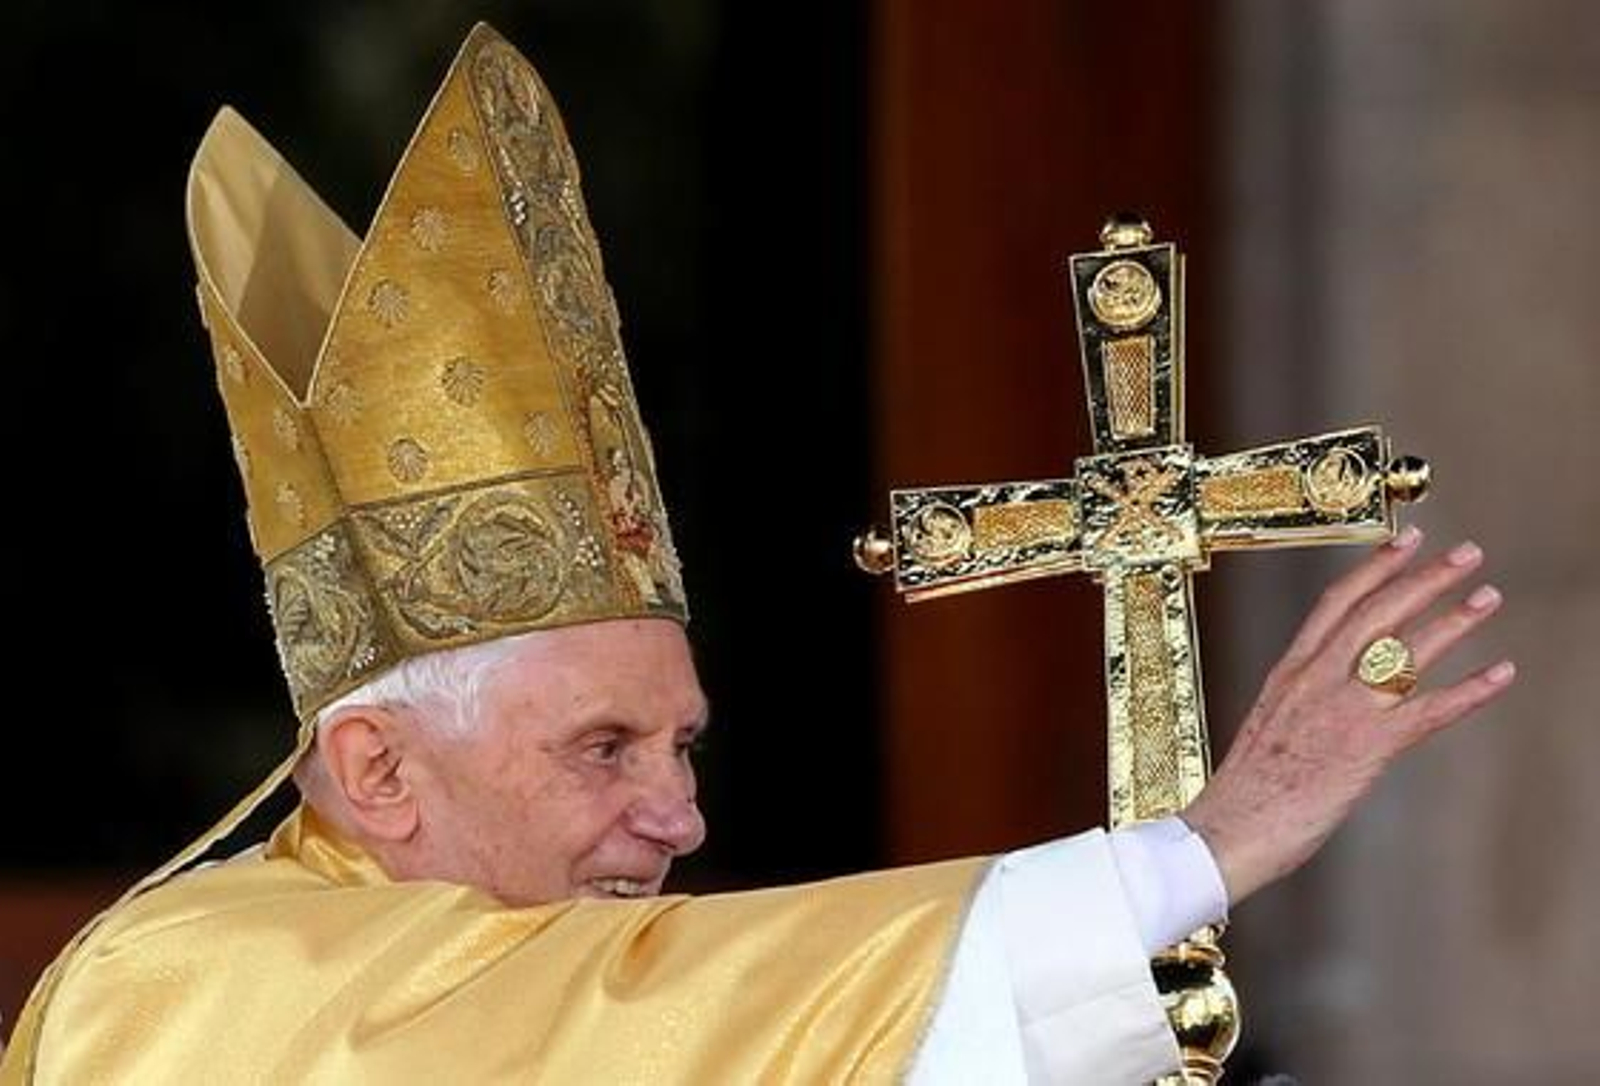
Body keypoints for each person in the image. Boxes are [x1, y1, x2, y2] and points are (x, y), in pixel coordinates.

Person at [0, 22, 1514, 1085]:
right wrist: (1205, 847)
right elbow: (636, 1026)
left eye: (680, 742)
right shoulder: (184, 992)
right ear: (383, 772)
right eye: (605, 746)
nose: (680, 815)